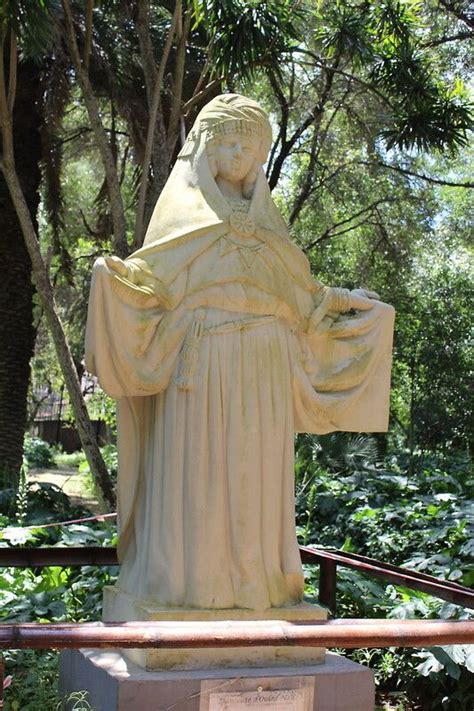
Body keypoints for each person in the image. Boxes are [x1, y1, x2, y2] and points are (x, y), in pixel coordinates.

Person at [85, 94, 394, 613]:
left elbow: (303, 300)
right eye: (226, 142)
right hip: (200, 366)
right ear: (203, 151)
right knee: (197, 480)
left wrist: (349, 301)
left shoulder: (270, 233)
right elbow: (150, 290)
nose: (236, 153)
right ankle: (187, 586)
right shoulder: (180, 232)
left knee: (253, 484)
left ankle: (258, 585)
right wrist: (114, 282)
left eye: (248, 146)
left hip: (264, 369)